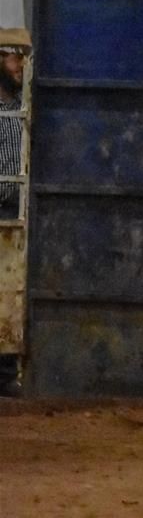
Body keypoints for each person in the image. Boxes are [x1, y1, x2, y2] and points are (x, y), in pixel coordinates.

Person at [0, 27, 30, 397]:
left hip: (16, 205)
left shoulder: (29, 105)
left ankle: (6, 371)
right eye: (12, 55)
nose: (20, 63)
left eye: (23, 56)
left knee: (12, 290)